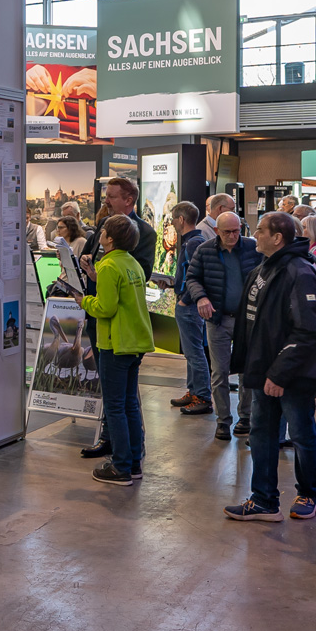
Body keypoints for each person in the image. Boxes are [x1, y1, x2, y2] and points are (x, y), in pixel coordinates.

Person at [224, 212, 316, 521]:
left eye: (260, 230)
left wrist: (279, 373)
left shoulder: (301, 272)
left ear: (278, 237)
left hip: (291, 376)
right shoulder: (263, 269)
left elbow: (307, 332)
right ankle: (264, 500)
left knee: (301, 435)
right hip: (262, 372)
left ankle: (308, 493)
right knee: (261, 435)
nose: (254, 234)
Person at [78, 179, 156, 459]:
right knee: (113, 391)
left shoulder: (142, 234)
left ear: (129, 200)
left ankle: (126, 454)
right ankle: (118, 444)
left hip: (117, 326)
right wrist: (88, 262)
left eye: (111, 197)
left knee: (119, 397)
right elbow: (92, 254)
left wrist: (98, 284)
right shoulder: (104, 226)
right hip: (101, 321)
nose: (106, 201)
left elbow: (141, 275)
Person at [185, 211, 260, 440]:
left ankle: (245, 417)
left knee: (247, 371)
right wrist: (201, 297)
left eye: (237, 231)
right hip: (218, 319)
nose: (233, 236)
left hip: (247, 320)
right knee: (220, 372)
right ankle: (223, 420)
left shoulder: (252, 248)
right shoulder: (205, 249)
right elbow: (192, 277)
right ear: (217, 231)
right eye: (227, 232)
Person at [166, 202, 212, 416]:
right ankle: (193, 391)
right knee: (191, 351)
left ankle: (202, 396)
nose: (173, 223)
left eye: (174, 219)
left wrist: (185, 300)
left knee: (195, 352)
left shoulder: (194, 243)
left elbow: (197, 277)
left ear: (181, 220)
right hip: (188, 305)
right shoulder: (193, 241)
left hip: (190, 307)